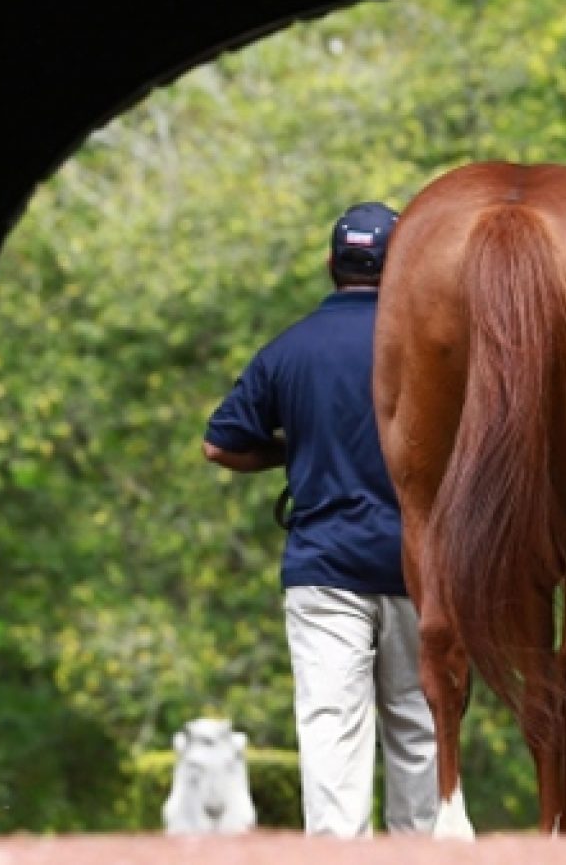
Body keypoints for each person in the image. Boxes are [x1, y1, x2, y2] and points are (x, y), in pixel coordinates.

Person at [201, 201, 438, 838]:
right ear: (402, 266)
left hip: (325, 567)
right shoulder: (432, 349)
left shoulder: (288, 348)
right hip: (418, 568)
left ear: (333, 264)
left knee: (334, 729)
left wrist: (291, 448)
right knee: (418, 727)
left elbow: (219, 443)